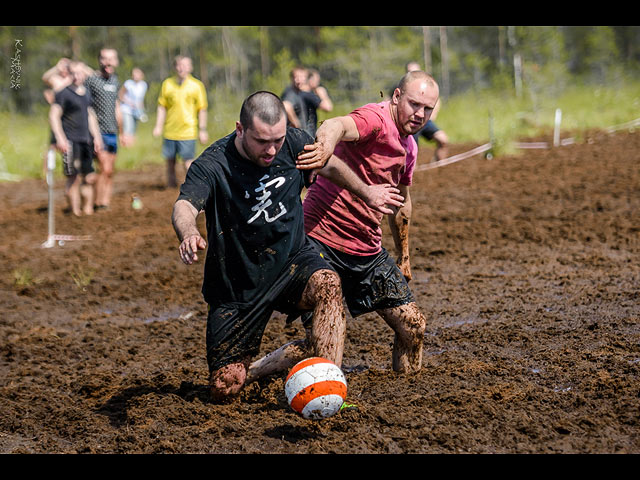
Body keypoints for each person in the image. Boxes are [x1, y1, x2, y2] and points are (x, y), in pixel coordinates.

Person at [171, 91, 404, 401]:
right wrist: (188, 233)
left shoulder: (293, 142)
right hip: (238, 285)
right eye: (262, 141)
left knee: (328, 284)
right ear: (240, 129)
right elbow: (185, 205)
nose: (271, 150)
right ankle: (269, 364)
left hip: (292, 262)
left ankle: (329, 388)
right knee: (226, 386)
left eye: (277, 141)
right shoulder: (214, 164)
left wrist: (367, 192)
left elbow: (330, 165)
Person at [295, 70, 439, 374]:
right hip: (321, 242)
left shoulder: (410, 146)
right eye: (414, 104)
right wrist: (323, 147)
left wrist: (405, 255)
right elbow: (335, 125)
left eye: (428, 108)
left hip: (366, 250)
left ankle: (408, 398)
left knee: (413, 326)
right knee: (323, 340)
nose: (420, 114)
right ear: (397, 97)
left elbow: (402, 203)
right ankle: (314, 394)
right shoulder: (375, 119)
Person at [48, 61, 103, 216]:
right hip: (70, 141)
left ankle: (88, 209)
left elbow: (90, 116)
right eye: (74, 73)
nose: (77, 76)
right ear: (68, 74)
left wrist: (97, 137)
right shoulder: (63, 93)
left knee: (89, 177)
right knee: (73, 177)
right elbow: (53, 115)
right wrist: (60, 138)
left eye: (80, 73)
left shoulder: (86, 92)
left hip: (86, 141)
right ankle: (75, 211)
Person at [153, 55, 209, 188]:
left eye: (184, 65)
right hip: (170, 131)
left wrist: (202, 129)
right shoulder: (167, 84)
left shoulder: (197, 85)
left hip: (188, 130)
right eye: (178, 65)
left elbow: (202, 109)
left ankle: (194, 187)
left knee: (188, 163)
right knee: (170, 162)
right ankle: (171, 188)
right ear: (174, 67)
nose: (181, 68)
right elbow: (162, 107)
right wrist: (158, 126)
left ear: (190, 67)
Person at [85, 48, 122, 210]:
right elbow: (87, 107)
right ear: (99, 60)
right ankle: (97, 202)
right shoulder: (91, 80)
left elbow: (116, 106)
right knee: (104, 168)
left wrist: (123, 131)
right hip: (97, 131)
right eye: (104, 58)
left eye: (111, 59)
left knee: (110, 171)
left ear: (116, 61)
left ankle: (105, 202)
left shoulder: (115, 80)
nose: (108, 62)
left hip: (113, 131)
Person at [405, 61, 449, 162]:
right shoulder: (401, 87)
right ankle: (411, 173)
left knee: (443, 140)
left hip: (425, 121)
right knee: (411, 152)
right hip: (410, 121)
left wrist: (431, 116)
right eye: (410, 72)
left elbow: (436, 101)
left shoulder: (427, 86)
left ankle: (438, 168)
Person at [281, 67, 331, 137]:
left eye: (301, 77)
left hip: (298, 136)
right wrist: (297, 125)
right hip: (300, 137)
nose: (298, 80)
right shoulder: (296, 93)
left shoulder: (296, 92)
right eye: (296, 77)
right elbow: (286, 106)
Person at [119, 67, 148, 146]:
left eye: (137, 73)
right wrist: (129, 103)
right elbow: (120, 95)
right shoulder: (128, 83)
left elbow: (140, 100)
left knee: (134, 129)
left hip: (136, 110)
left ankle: (131, 146)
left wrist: (142, 111)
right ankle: (126, 145)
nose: (135, 75)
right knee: (128, 128)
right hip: (127, 110)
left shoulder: (143, 85)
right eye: (134, 73)